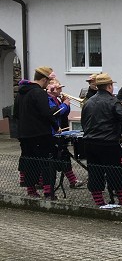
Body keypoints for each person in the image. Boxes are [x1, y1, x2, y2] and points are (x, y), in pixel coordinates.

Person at [79, 72, 122, 209]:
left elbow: (83, 122)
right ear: (109, 86)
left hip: (90, 143)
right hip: (109, 143)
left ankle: (99, 202)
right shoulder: (113, 101)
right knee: (116, 171)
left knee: (95, 171)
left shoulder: (88, 102)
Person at [14, 66, 57, 198]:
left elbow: (16, 114)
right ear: (43, 79)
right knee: (46, 162)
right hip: (40, 134)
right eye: (48, 81)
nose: (47, 85)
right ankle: (48, 191)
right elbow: (46, 113)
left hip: (24, 134)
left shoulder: (20, 93)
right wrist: (56, 126)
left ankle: (31, 191)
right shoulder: (39, 93)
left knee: (30, 162)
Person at [47, 80, 82, 188]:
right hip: (52, 133)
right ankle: (45, 183)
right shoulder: (48, 99)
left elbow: (64, 113)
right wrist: (65, 104)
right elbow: (55, 112)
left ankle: (72, 180)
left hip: (60, 131)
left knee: (64, 156)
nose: (61, 90)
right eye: (59, 88)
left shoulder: (56, 99)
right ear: (52, 89)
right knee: (55, 158)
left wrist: (66, 104)